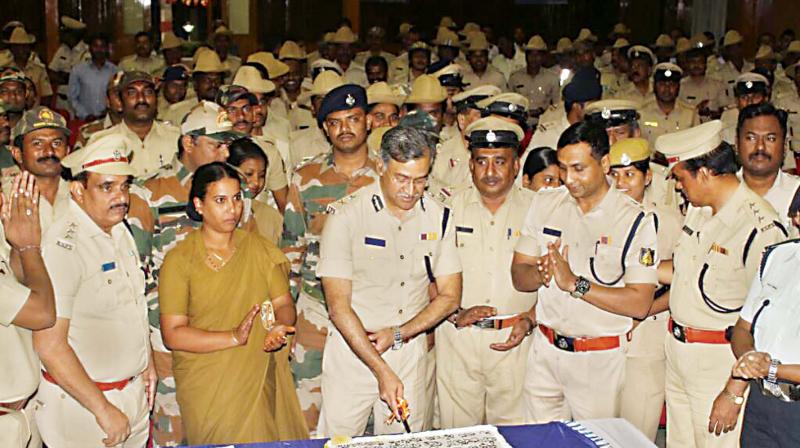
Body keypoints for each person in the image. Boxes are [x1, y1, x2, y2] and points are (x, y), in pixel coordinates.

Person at [316, 125, 462, 436]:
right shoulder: (346, 217)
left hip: (407, 352)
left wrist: (399, 333)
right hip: (352, 351)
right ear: (381, 166)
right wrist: (381, 370)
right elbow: (338, 307)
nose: (411, 190)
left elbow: (450, 296)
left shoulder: (439, 217)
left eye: (420, 180)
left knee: (405, 442)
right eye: (401, 179)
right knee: (340, 441)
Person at [511, 120, 659, 422]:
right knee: (540, 444)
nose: (568, 179)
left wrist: (575, 284)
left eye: (579, 168)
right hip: (546, 352)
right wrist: (541, 274)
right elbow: (519, 275)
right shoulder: (545, 204)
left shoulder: (634, 220)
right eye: (563, 168)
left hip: (598, 360)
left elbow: (640, 303)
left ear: (604, 163)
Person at [656, 120, 788, 448]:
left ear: (704, 174)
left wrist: (735, 390)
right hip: (680, 353)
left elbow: (768, 324)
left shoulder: (761, 228)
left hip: (719, 361)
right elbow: (686, 272)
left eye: (681, 178)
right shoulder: (700, 211)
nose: (677, 187)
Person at [158, 162, 307, 444]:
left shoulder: (259, 248)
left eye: (237, 198)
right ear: (199, 205)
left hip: (254, 371)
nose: (232, 208)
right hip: (206, 381)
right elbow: (173, 333)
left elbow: (283, 303)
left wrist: (280, 325)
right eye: (220, 200)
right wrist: (233, 337)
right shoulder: (179, 260)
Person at [126, 100, 247, 446]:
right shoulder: (150, 193)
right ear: (188, 143)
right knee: (175, 425)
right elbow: (137, 268)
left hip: (224, 325)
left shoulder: (234, 190)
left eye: (228, 145)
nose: (225, 153)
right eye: (216, 144)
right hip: (171, 330)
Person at [34, 133, 155, 448]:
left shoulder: (118, 231)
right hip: (84, 409)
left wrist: (147, 362)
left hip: (130, 395)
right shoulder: (65, 246)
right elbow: (49, 346)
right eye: (107, 187)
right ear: (77, 190)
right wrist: (101, 409)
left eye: (124, 186)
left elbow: (133, 307)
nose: (121, 197)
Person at [282, 84, 380, 435]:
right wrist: (288, 313)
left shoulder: (388, 177)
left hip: (370, 312)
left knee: (366, 414)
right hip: (315, 312)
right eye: (336, 122)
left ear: (368, 121)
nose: (345, 128)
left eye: (353, 119)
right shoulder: (306, 177)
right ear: (325, 128)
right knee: (307, 408)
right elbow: (291, 247)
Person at [437, 116, 535, 427]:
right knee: (458, 437)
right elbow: (424, 272)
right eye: (481, 161)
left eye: (500, 161)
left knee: (514, 436)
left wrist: (531, 319)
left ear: (516, 165)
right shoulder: (446, 210)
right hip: (458, 341)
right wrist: (452, 314)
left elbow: (553, 278)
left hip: (516, 341)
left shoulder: (540, 210)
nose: (490, 172)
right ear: (470, 165)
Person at [608, 138, 683, 441]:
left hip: (646, 341)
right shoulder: (596, 217)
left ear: (647, 177)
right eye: (615, 174)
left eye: (630, 174)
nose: (621, 183)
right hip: (604, 341)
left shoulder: (668, 221)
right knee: (600, 430)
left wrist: (644, 310)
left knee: (637, 435)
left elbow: (682, 278)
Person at [725, 204, 800, 447]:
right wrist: (745, 369)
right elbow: (743, 327)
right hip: (763, 404)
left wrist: (771, 369)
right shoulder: (777, 257)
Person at [0, 172, 55, 448]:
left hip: (21, 413)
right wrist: (29, 247)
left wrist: (17, 248)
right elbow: (42, 314)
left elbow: (20, 283)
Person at [86, 71, 180, 178]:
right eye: (132, 93)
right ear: (120, 102)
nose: (141, 99)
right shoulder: (101, 142)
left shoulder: (176, 137)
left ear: (156, 100)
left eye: (148, 92)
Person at [216, 84, 289, 211]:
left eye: (246, 109)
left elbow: (285, 207)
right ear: (219, 116)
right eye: (232, 110)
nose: (241, 117)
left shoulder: (268, 152)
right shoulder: (210, 152)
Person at [427, 85, 501, 202]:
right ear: (462, 120)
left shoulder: (501, 155)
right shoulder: (440, 155)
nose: (488, 122)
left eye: (491, 116)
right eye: (481, 116)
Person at [736, 103, 800, 234]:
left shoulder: (797, 192)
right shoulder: (718, 194)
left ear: (785, 146)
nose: (760, 147)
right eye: (751, 138)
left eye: (770, 138)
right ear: (737, 143)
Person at [4, 107, 71, 231]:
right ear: (18, 154)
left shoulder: (82, 196)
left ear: (67, 151)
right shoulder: (6, 200)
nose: (49, 151)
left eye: (56, 143)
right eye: (37, 143)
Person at [227, 137, 283, 245]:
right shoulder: (215, 212)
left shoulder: (271, 216)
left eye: (261, 176)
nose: (256, 182)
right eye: (248, 174)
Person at [289, 71, 344, 170]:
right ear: (313, 109)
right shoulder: (298, 145)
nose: (329, 105)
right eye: (322, 100)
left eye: (335, 99)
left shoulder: (358, 141)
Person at [639, 63, 699, 147]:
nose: (667, 89)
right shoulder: (642, 114)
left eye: (672, 85)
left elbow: (697, 143)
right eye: (662, 84)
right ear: (654, 86)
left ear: (678, 87)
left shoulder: (691, 114)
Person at [508, 35, 560, 124]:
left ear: (543, 57)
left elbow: (557, 106)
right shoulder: (515, 78)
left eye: (538, 55)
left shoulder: (552, 78)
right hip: (520, 124)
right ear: (526, 56)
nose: (534, 58)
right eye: (531, 54)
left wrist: (543, 112)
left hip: (544, 124)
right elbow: (509, 103)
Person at [68, 33, 117, 121]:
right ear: (90, 48)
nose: (99, 50)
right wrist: (85, 115)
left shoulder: (115, 71)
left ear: (107, 49)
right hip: (84, 120)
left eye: (102, 46)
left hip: (109, 120)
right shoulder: (78, 70)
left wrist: (110, 111)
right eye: (95, 46)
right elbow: (72, 98)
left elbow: (118, 96)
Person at [679, 37, 728, 120]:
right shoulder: (681, 86)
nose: (696, 66)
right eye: (693, 62)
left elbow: (724, 110)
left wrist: (711, 113)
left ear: (705, 64)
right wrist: (696, 110)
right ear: (687, 64)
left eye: (700, 62)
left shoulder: (717, 85)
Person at [4, 28, 52, 104]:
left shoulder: (39, 70)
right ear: (12, 49)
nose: (23, 50)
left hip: (34, 113)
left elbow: (46, 96)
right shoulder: (5, 71)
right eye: (19, 47)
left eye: (26, 46)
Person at [720, 73, 770, 144]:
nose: (749, 102)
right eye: (744, 97)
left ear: (766, 99)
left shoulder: (776, 122)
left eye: (755, 97)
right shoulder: (728, 118)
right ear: (737, 101)